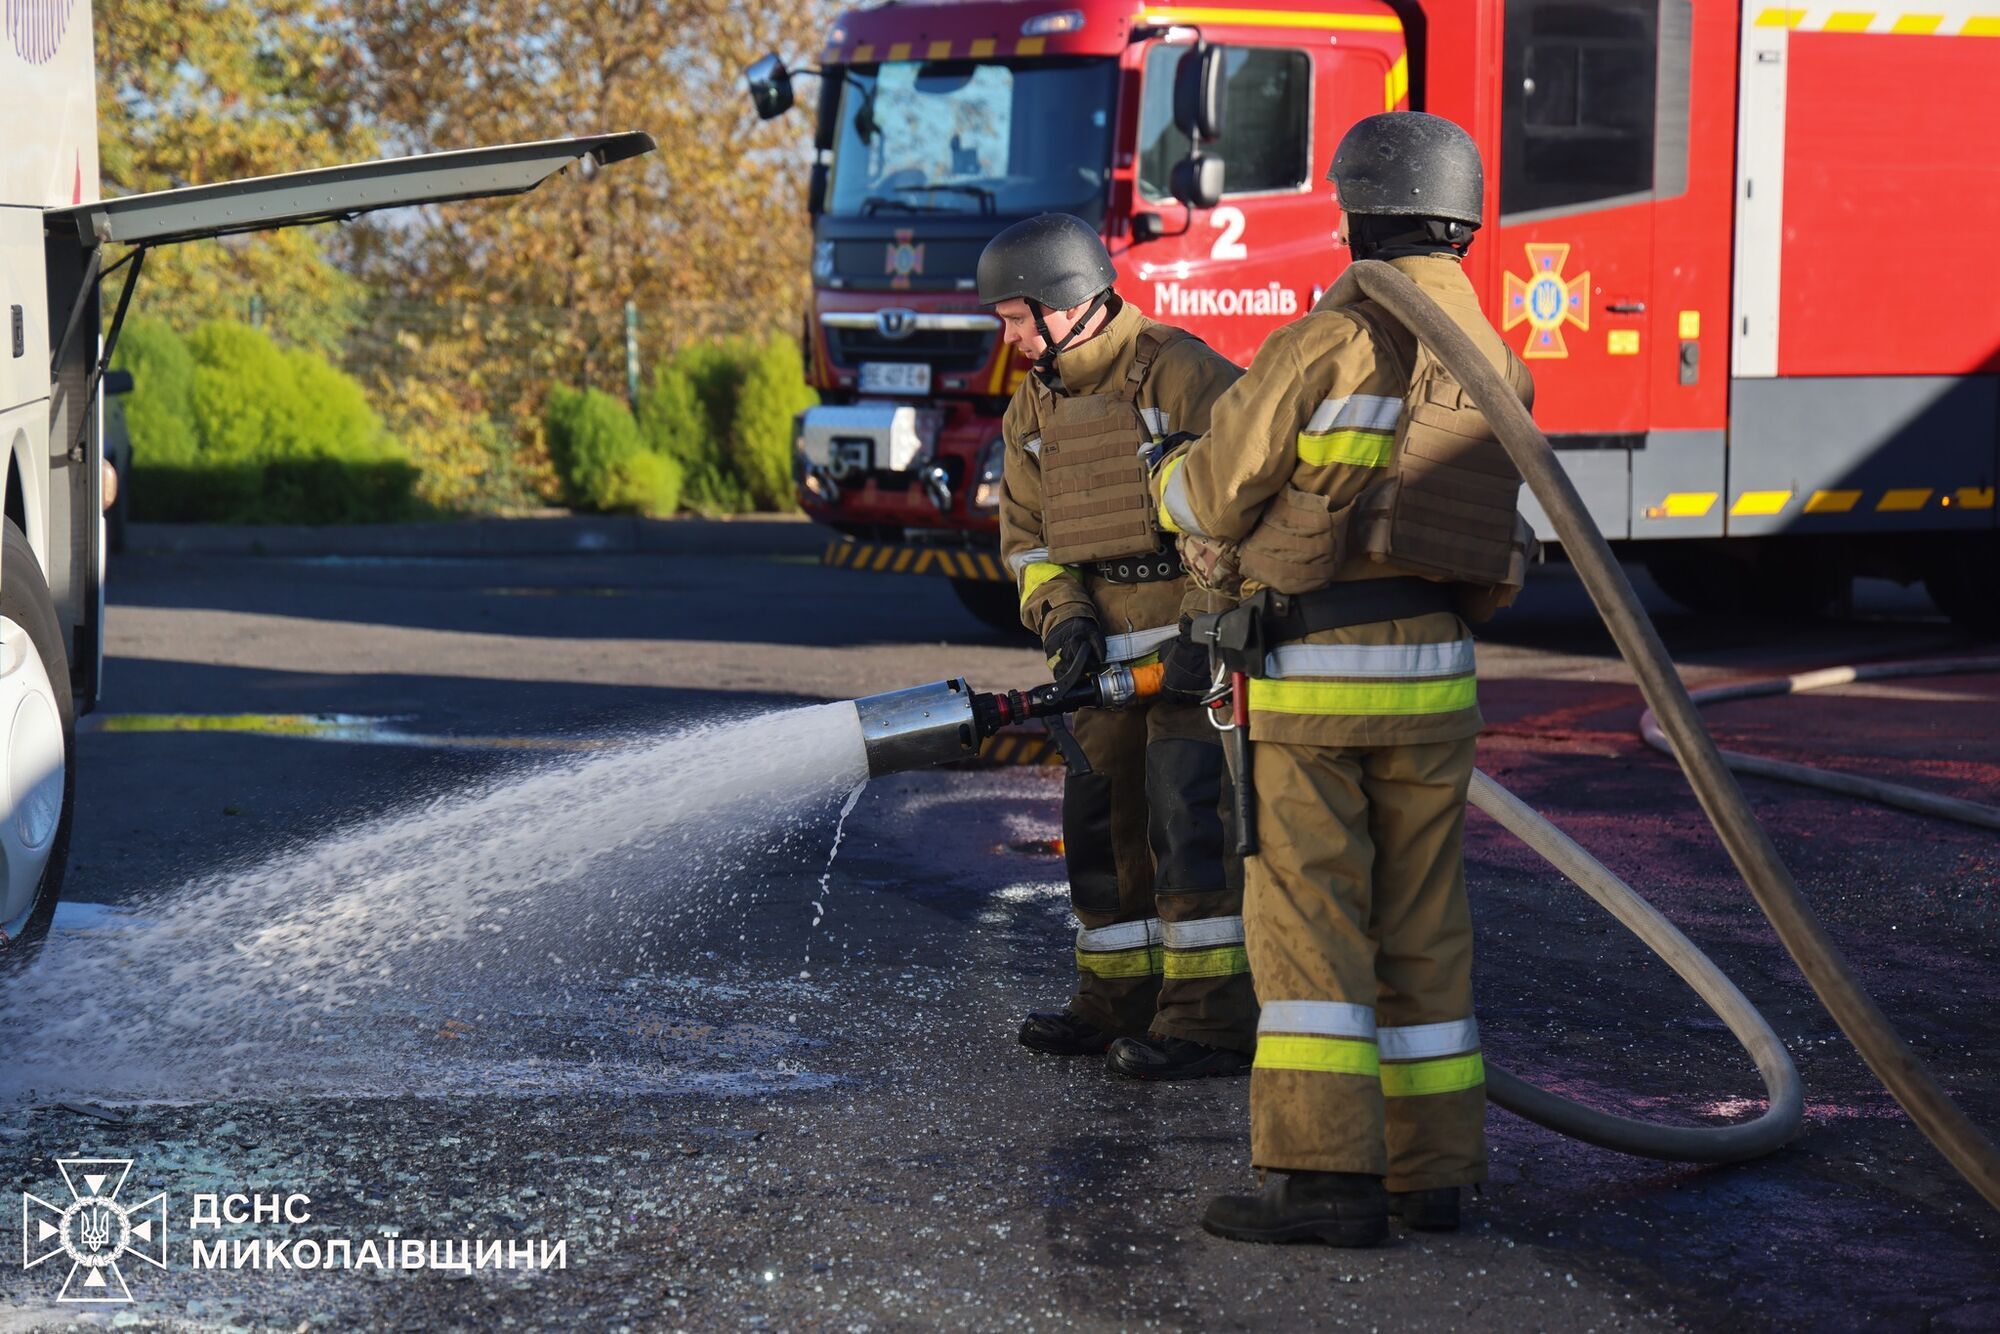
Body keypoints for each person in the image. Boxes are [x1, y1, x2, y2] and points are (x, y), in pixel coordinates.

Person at [1150, 113, 1537, 1242]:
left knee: (1312, 930)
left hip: (1314, 680)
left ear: (1358, 215)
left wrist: (1170, 480)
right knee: (1424, 929)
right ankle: (1432, 1176)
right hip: (1436, 683)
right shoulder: (1496, 358)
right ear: (1461, 220)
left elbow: (1215, 495)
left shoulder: (1326, 343)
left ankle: (1322, 1180)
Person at [982, 213, 1257, 1080]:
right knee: (1100, 831)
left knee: (1191, 824)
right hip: (1100, 661)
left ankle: (1209, 1022)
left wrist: (1207, 624)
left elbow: (1247, 504)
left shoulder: (1182, 372)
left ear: (1067, 301)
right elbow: (1028, 541)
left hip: (1191, 650)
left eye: (1017, 318)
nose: (1012, 338)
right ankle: (1113, 1004)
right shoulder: (1031, 406)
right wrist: (1063, 616)